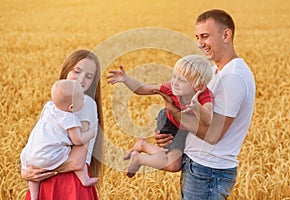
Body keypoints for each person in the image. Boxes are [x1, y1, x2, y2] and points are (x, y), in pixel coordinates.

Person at [155, 9, 256, 199]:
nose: (199, 44)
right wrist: (170, 132)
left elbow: (213, 135)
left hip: (209, 172)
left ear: (226, 35)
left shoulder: (233, 77)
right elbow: (196, 116)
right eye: (197, 37)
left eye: (205, 36)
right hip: (199, 168)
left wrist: (173, 111)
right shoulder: (213, 72)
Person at [107, 55, 214, 178]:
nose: (175, 82)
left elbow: (208, 119)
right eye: (174, 77)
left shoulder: (205, 95)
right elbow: (142, 89)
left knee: (172, 161)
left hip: (185, 126)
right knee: (173, 164)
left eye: (182, 80)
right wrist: (126, 79)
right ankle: (139, 158)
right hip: (170, 122)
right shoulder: (169, 88)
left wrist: (198, 108)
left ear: (199, 86)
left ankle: (143, 146)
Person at [21, 50, 104, 200]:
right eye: (77, 71)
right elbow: (36, 142)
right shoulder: (52, 106)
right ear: (66, 69)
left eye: (89, 76)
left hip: (68, 185)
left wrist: (36, 168)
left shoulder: (85, 104)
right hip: (44, 181)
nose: (81, 79)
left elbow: (77, 161)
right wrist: (25, 171)